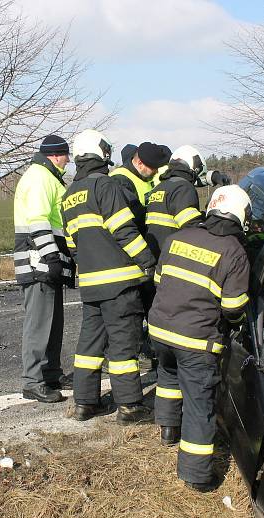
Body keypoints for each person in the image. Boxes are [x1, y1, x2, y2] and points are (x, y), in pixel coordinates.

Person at [148, 184, 251, 492]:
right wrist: (240, 321)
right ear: (242, 216)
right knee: (198, 403)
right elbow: (233, 307)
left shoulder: (177, 237)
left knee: (168, 378)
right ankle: (195, 474)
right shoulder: (234, 251)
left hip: (160, 329)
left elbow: (158, 280)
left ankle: (168, 429)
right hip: (195, 340)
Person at [61, 129, 157, 423]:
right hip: (120, 283)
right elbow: (124, 231)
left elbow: (73, 244)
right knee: (123, 345)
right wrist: (150, 263)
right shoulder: (105, 185)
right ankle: (129, 407)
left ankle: (85, 403)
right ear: (100, 152)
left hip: (90, 284)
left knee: (89, 346)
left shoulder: (68, 195)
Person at [13, 134, 75, 403]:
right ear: (55, 155)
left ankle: (50, 373)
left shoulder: (48, 177)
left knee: (52, 322)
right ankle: (33, 381)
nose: (69, 160)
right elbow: (38, 220)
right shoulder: (39, 177)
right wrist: (51, 257)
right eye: (66, 155)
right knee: (39, 324)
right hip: (39, 262)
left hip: (47, 262)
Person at [145, 145, 208, 260]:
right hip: (173, 256)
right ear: (194, 167)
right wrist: (207, 221)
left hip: (155, 254)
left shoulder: (160, 187)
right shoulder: (183, 187)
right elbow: (190, 227)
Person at [110, 142, 171, 231]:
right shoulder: (120, 180)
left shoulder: (145, 176)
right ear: (140, 163)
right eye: (153, 168)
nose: (157, 172)